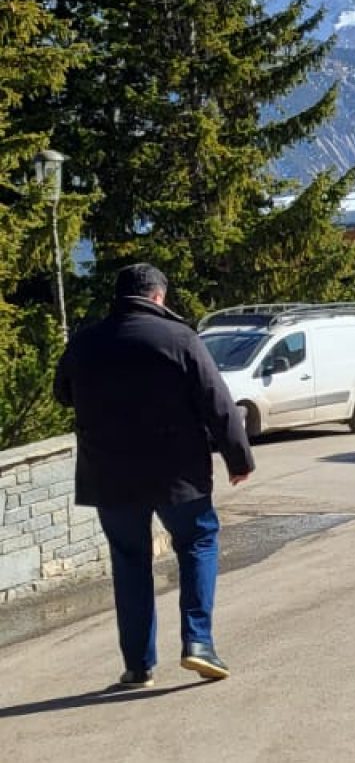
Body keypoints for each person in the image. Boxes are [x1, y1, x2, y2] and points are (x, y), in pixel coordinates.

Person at [53, 264, 253, 689]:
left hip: (109, 474)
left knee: (130, 561)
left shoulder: (85, 341)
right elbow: (216, 401)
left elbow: (63, 394)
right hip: (178, 474)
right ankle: (198, 643)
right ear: (158, 296)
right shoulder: (180, 338)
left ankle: (138, 665)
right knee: (197, 543)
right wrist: (238, 458)